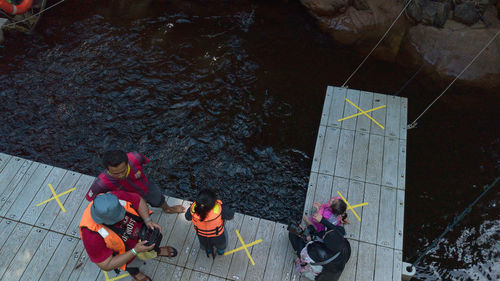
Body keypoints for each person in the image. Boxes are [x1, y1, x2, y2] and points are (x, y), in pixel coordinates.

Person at [79, 191, 178, 281]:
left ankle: (157, 251)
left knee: (152, 247)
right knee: (131, 264)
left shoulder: (112, 199)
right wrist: (134, 251)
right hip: (126, 253)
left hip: (142, 233)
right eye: (116, 218)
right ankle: (136, 274)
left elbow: (139, 201)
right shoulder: (91, 236)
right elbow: (106, 264)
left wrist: (148, 220)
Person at [85, 150, 184, 214]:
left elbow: (144, 161)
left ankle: (167, 209)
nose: (121, 175)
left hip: (146, 188)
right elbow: (90, 198)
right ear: (107, 169)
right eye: (115, 173)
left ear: (127, 162)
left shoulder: (136, 157)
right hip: (128, 201)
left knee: (159, 198)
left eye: (123, 171)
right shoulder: (101, 183)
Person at [289, 212, 351, 281]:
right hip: (336, 265)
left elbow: (303, 254)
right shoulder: (345, 244)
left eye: (325, 235)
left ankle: (305, 269)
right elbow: (337, 230)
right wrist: (322, 220)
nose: (326, 232)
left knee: (292, 235)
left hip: (323, 277)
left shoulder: (318, 251)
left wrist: (303, 235)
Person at [185, 189, 234, 258]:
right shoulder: (220, 210)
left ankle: (209, 251)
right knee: (221, 244)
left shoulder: (192, 209)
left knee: (205, 245)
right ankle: (220, 251)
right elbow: (230, 216)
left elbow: (187, 217)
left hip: (202, 236)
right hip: (218, 236)